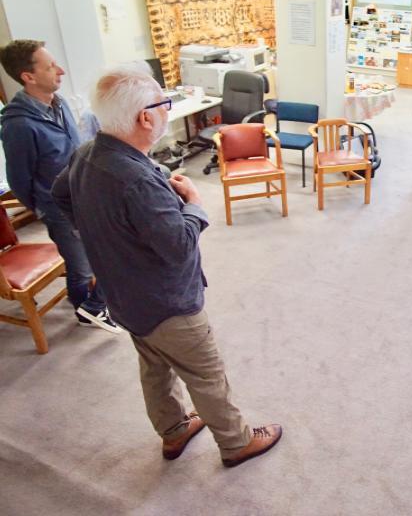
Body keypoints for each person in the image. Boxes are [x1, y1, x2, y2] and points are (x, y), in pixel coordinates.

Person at [51, 63, 282, 467]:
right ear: (145, 117)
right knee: (206, 373)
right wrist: (194, 202)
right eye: (165, 103)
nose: (165, 110)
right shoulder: (137, 181)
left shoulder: (88, 152)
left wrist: (104, 238)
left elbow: (60, 194)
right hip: (167, 301)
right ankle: (236, 442)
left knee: (154, 365)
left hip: (125, 296)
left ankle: (173, 431)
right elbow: (178, 246)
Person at [0, 39, 117, 333]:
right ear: (28, 76)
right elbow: (19, 179)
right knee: (80, 266)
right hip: (58, 207)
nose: (61, 71)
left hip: (85, 194)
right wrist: (44, 208)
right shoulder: (18, 125)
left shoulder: (59, 102)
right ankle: (86, 310)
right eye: (51, 66)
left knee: (105, 251)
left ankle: (88, 302)